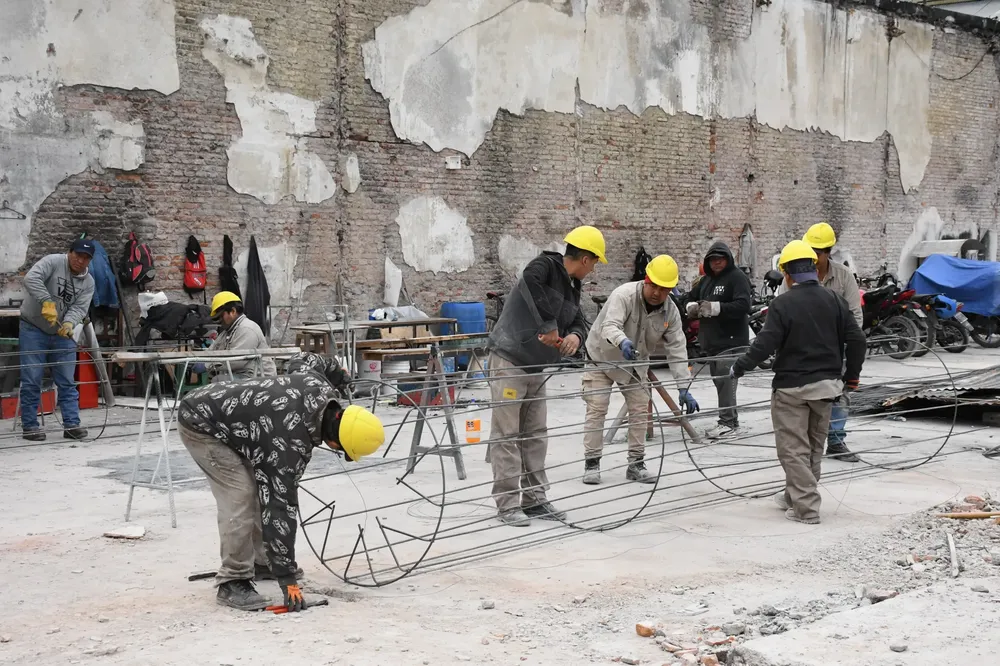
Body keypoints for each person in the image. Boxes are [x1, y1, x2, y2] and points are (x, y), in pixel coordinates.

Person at [177, 352, 384, 611]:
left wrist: (339, 376)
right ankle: (233, 580)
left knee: (258, 486)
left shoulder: (320, 387)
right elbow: (279, 507)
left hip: (237, 423)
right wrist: (287, 580)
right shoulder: (288, 445)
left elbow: (307, 360)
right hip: (202, 421)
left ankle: (263, 563)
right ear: (335, 439)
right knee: (240, 494)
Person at [730, 241, 865, 524]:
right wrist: (851, 376)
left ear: (788, 275)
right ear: (814, 269)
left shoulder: (782, 303)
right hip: (827, 387)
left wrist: (740, 367)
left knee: (792, 449)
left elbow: (765, 344)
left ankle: (806, 509)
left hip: (791, 389)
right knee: (814, 447)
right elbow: (857, 339)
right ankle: (794, 495)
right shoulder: (835, 301)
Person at [487, 225, 607, 526]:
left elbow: (578, 320)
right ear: (585, 259)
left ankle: (536, 499)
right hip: (510, 360)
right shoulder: (545, 265)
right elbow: (530, 281)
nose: (593, 270)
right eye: (594, 263)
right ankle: (507, 505)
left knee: (536, 435)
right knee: (506, 435)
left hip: (535, 368)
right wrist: (550, 325)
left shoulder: (572, 287)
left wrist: (576, 338)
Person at [582, 255, 698, 484]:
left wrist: (684, 387)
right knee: (597, 408)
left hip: (635, 363)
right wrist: (622, 341)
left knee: (639, 410)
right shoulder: (623, 295)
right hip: (601, 356)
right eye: (653, 285)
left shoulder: (671, 312)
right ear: (646, 280)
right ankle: (592, 463)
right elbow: (610, 325)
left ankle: (636, 464)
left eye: (664, 289)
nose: (657, 292)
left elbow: (677, 349)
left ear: (671, 290)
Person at [776, 223, 864, 462]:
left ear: (828, 252)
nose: (813, 256)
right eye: (810, 249)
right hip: (802, 349)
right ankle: (807, 442)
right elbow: (782, 312)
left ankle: (835, 440)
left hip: (836, 348)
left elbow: (855, 316)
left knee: (839, 392)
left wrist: (842, 344)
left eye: (818, 251)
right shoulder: (791, 276)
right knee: (803, 396)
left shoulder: (843, 276)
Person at [18, 239, 97, 441]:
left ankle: (72, 425)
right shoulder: (52, 262)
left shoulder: (88, 282)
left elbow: (80, 307)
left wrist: (70, 323)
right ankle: (30, 426)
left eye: (86, 258)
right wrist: (46, 301)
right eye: (78, 255)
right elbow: (31, 278)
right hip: (33, 328)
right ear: (69, 252)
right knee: (32, 378)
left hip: (62, 333)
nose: (81, 260)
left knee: (67, 380)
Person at [684, 241, 752, 439]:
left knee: (725, 380)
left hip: (731, 342)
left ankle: (727, 423)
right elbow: (690, 297)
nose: (716, 262)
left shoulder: (737, 278)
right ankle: (732, 420)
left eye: (720, 258)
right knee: (721, 382)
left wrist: (716, 308)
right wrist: (692, 307)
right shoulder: (705, 281)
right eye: (713, 259)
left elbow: (744, 305)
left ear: (728, 259)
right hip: (713, 343)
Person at [207, 291, 276, 382]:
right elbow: (212, 350)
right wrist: (197, 360)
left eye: (221, 316)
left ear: (233, 311)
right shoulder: (227, 331)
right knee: (214, 379)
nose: (219, 321)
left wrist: (207, 365)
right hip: (242, 375)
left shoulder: (247, 329)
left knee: (218, 381)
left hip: (259, 379)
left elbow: (235, 362)